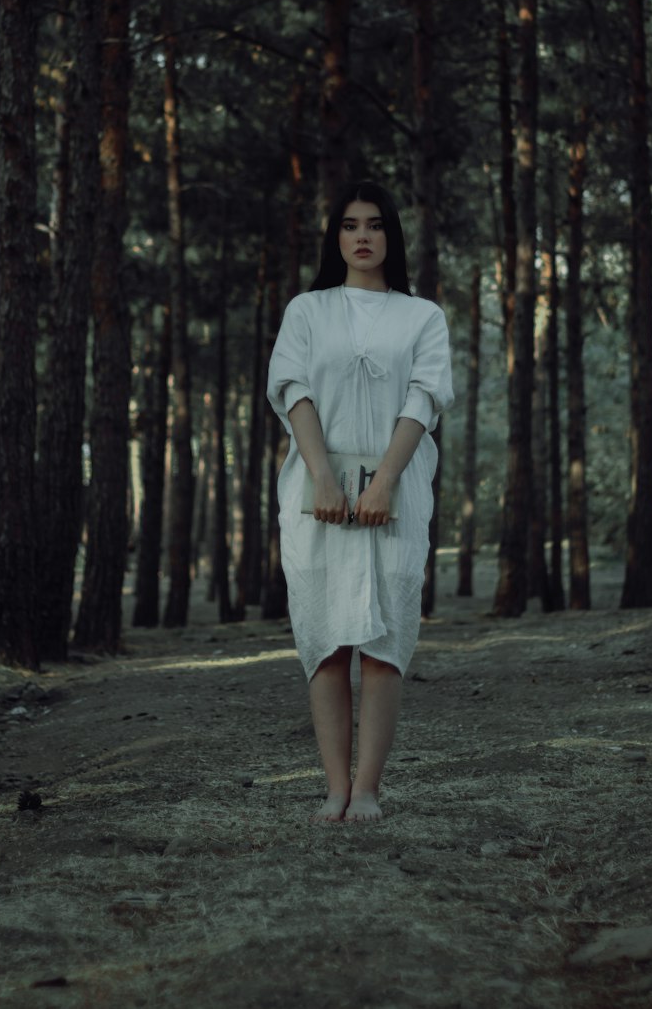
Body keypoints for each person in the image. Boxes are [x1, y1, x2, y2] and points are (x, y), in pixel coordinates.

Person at [267, 179, 453, 822]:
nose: (363, 236)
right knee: (326, 639)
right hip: (316, 484)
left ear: (391, 236)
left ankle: (368, 789)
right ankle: (335, 789)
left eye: (375, 224)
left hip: (397, 486)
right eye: (350, 225)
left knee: (383, 640)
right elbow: (292, 388)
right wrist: (322, 477)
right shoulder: (307, 310)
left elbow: (424, 399)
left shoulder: (422, 315)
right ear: (336, 237)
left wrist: (384, 482)